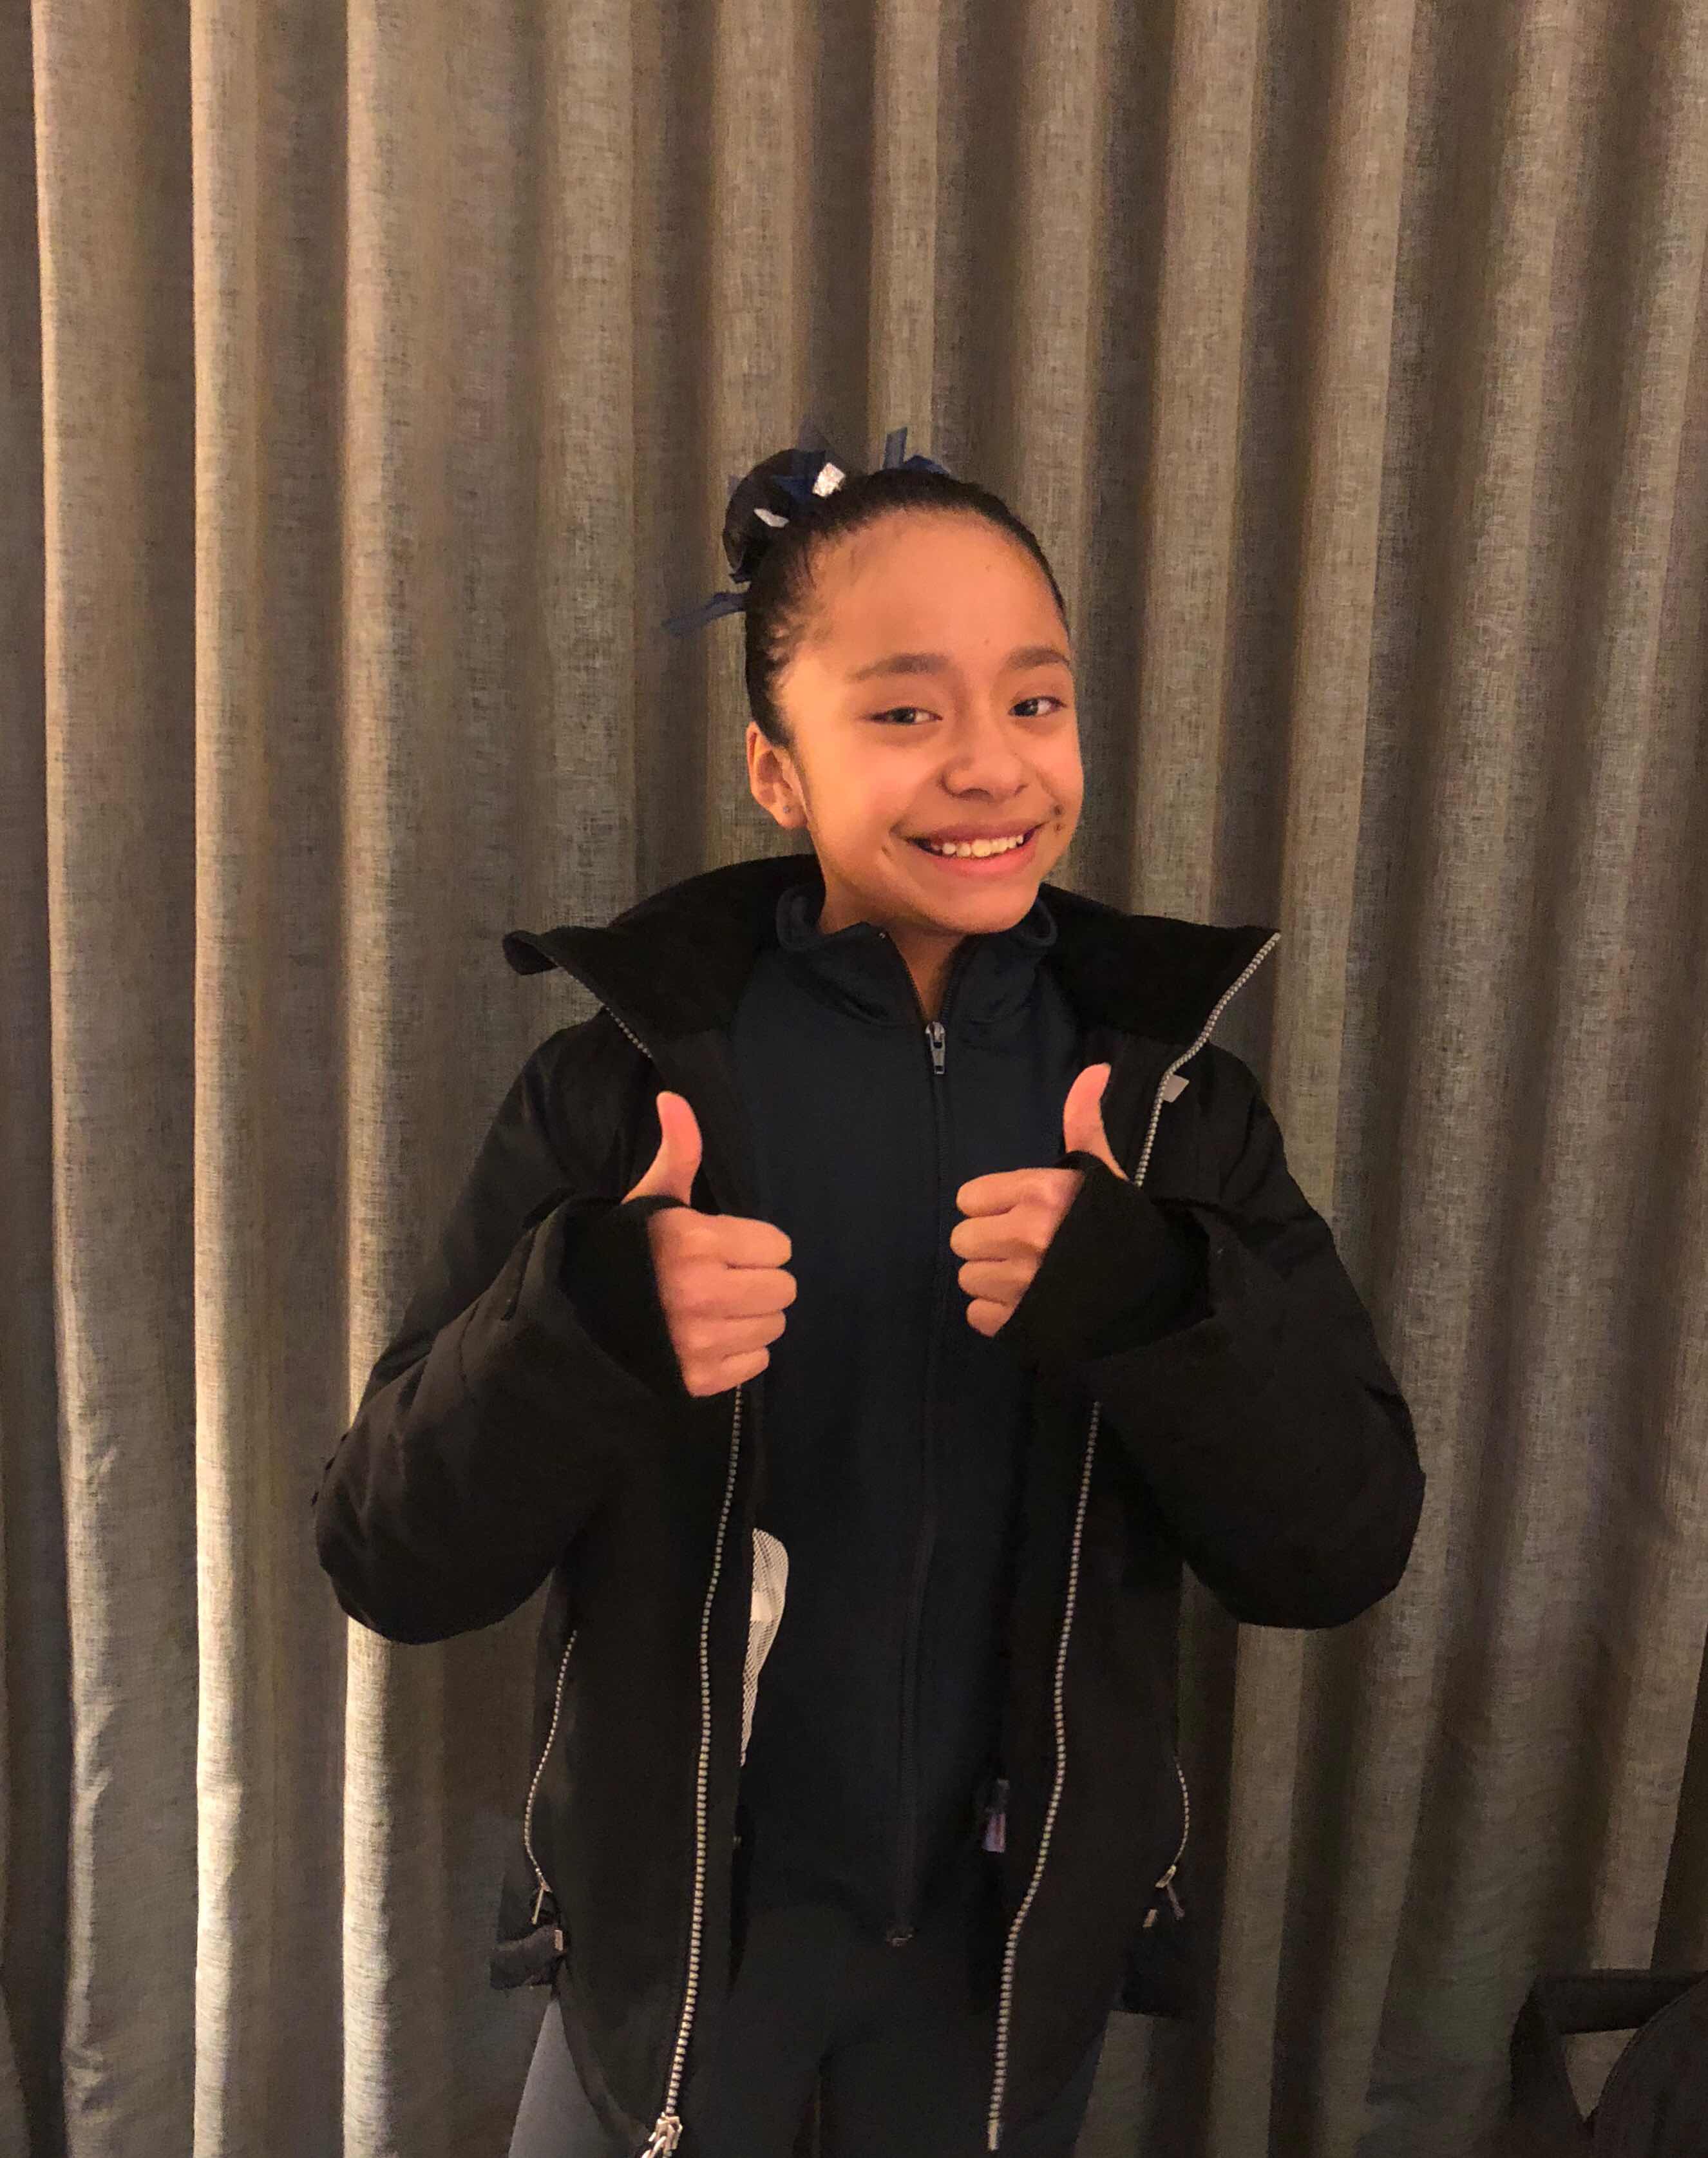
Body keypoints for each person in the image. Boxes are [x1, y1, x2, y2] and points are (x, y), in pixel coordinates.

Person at [311, 420, 1425, 2157]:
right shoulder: (622, 1093)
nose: (990, 766)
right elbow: (389, 1556)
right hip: (678, 1956)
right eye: (905, 713)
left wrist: (1157, 1299)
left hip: (1003, 1968)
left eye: (1035, 701)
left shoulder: (1170, 1111)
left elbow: (1339, 1547)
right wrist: (587, 1318)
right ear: (778, 772)